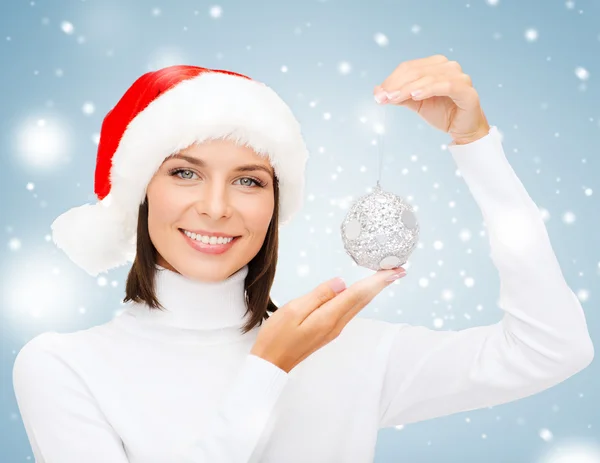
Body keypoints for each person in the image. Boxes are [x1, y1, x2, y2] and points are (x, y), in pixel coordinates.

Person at [12, 56, 594, 463]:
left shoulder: (349, 354)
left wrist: (476, 147)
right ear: (139, 191)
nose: (216, 208)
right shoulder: (63, 368)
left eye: (248, 180)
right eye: (185, 172)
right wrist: (268, 370)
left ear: (274, 203)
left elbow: (553, 349)